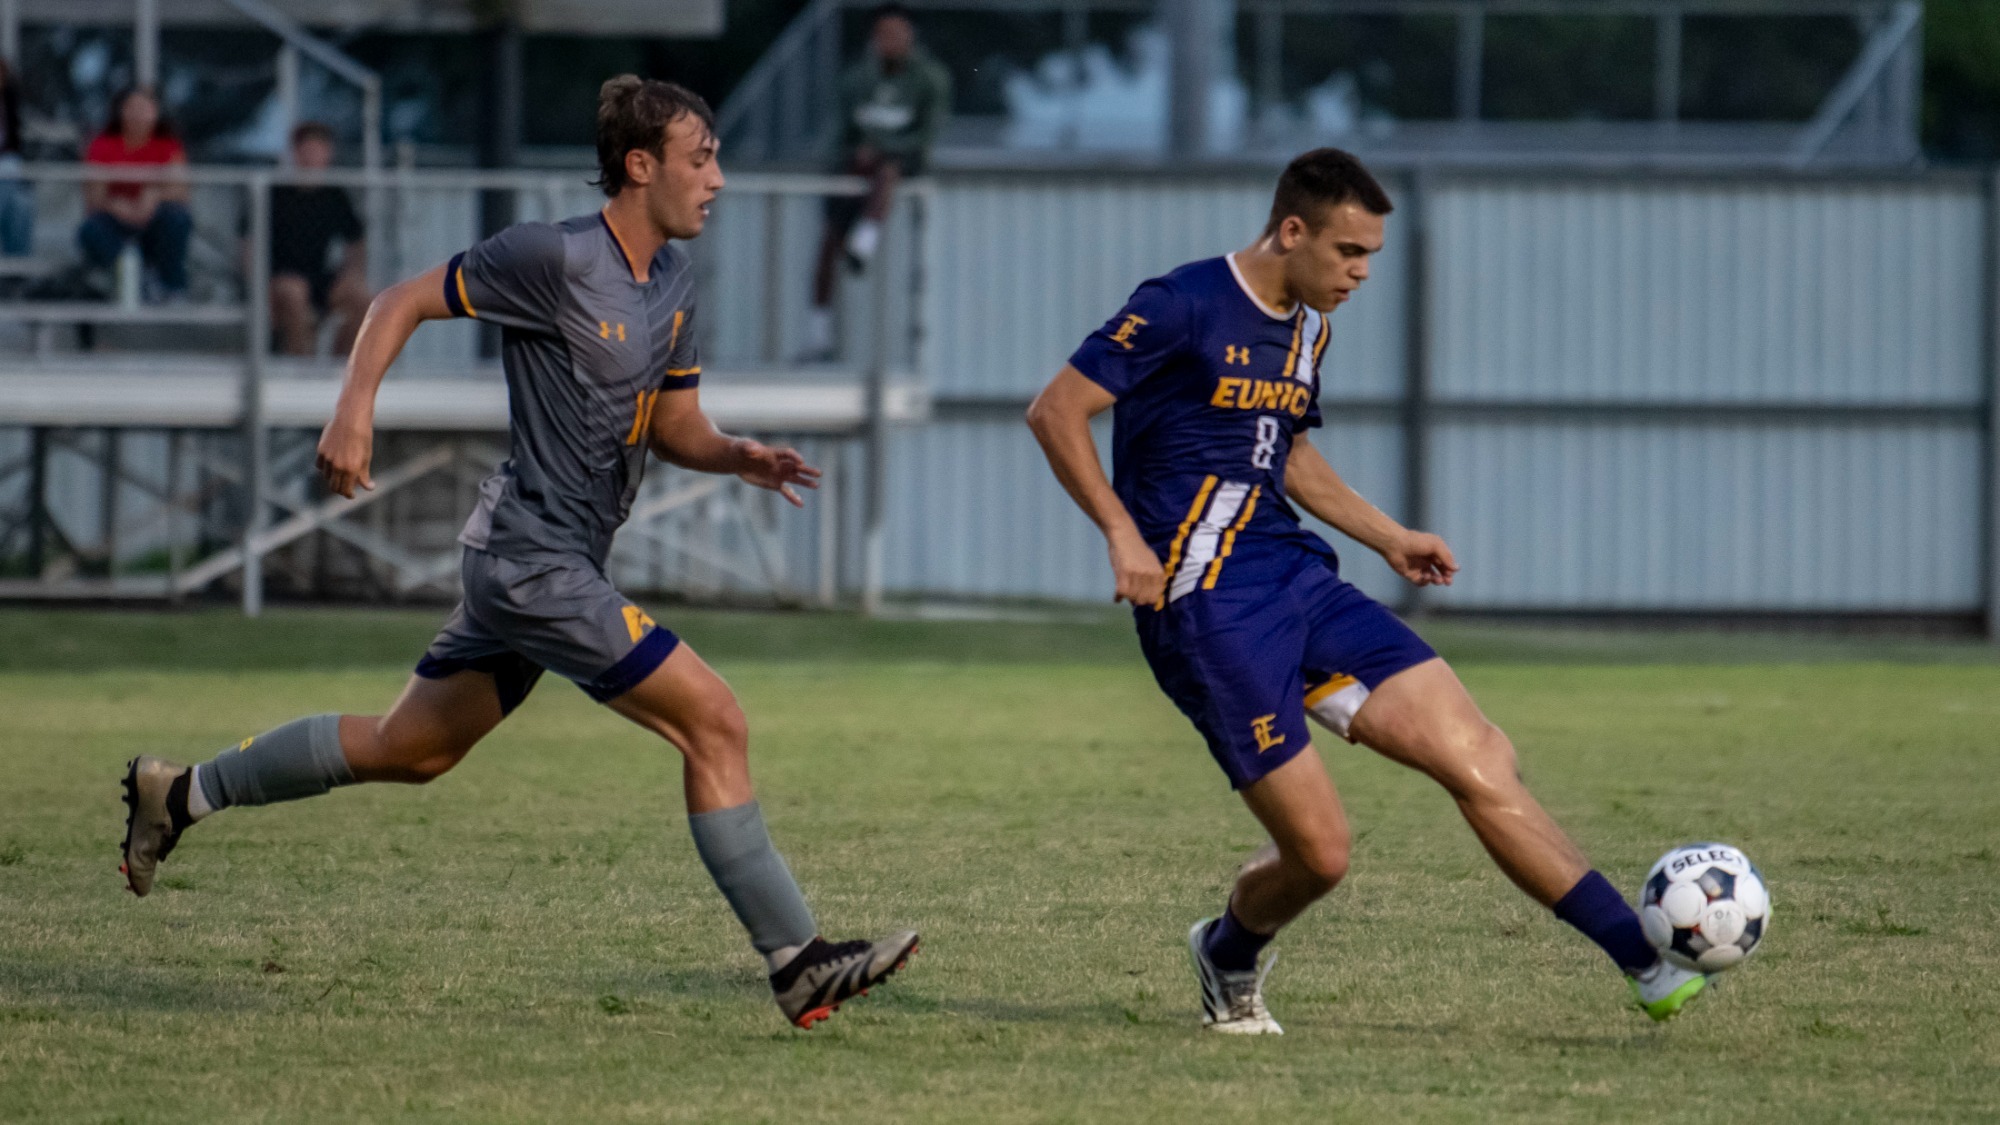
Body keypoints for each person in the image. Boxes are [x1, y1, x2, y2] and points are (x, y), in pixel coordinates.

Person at [118, 76, 918, 1030]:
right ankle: (796, 958)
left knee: (408, 749)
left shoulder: (672, 283)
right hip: (532, 561)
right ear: (639, 166)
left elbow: (675, 422)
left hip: (551, 562)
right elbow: (399, 300)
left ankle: (180, 792)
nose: (718, 179)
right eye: (700, 159)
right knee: (716, 721)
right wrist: (351, 411)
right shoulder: (552, 256)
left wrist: (733, 454)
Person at [1024, 148, 1708, 1035]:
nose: (1360, 273)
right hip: (1207, 610)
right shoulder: (1180, 303)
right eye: (1349, 251)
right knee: (1322, 855)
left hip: (1298, 577)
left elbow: (1289, 450)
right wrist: (1121, 532)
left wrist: (1391, 536)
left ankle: (1644, 960)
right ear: (1292, 230)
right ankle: (1228, 950)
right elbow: (1056, 409)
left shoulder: (1309, 329)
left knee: (1479, 755)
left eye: (1372, 256)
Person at [801, 1, 949, 361]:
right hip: (856, 168)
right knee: (828, 243)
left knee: (888, 170)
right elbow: (840, 135)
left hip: (900, 167)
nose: (890, 42)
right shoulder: (857, 79)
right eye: (883, 35)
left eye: (897, 34)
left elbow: (926, 139)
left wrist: (883, 147)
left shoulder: (929, 79)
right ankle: (819, 334)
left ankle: (865, 239)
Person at [265, 121, 370, 356]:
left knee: (363, 298)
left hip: (321, 275)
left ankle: (341, 366)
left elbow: (355, 239)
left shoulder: (335, 195)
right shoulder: (276, 193)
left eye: (319, 150)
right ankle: (301, 367)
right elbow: (249, 242)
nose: (313, 157)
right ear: (296, 152)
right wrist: (260, 285)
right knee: (295, 292)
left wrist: (352, 271)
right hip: (283, 275)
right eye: (308, 149)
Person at [80, 86, 191, 299]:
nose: (138, 114)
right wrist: (117, 205)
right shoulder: (102, 145)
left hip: (154, 219)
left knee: (178, 219)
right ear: (120, 111)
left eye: (145, 108)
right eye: (132, 107)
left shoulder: (168, 145)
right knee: (91, 230)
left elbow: (180, 190)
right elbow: (94, 195)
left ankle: (171, 286)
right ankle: (128, 281)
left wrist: (154, 196)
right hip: (115, 219)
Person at [0, 58, 33, 256]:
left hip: (8, 173)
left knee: (21, 204)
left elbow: (13, 149)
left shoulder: (10, 105)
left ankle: (16, 271)